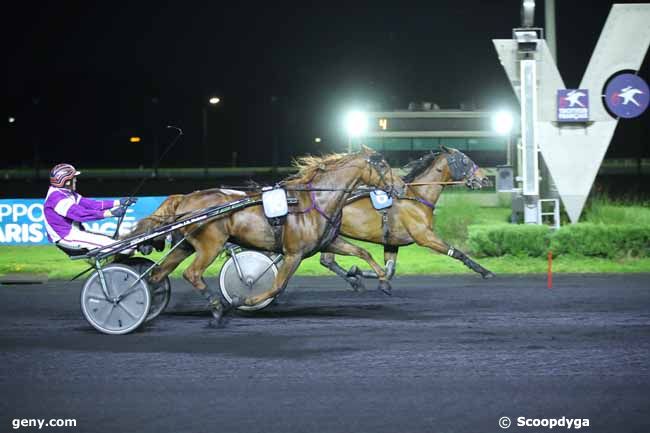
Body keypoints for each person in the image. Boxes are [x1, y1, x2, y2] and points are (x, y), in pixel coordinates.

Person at [43, 163, 137, 253]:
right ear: (66, 181)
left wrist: (119, 202)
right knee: (124, 248)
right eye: (74, 178)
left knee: (119, 240)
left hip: (76, 233)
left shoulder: (66, 192)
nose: (76, 180)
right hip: (66, 237)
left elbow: (92, 204)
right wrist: (110, 213)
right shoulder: (56, 198)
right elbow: (80, 214)